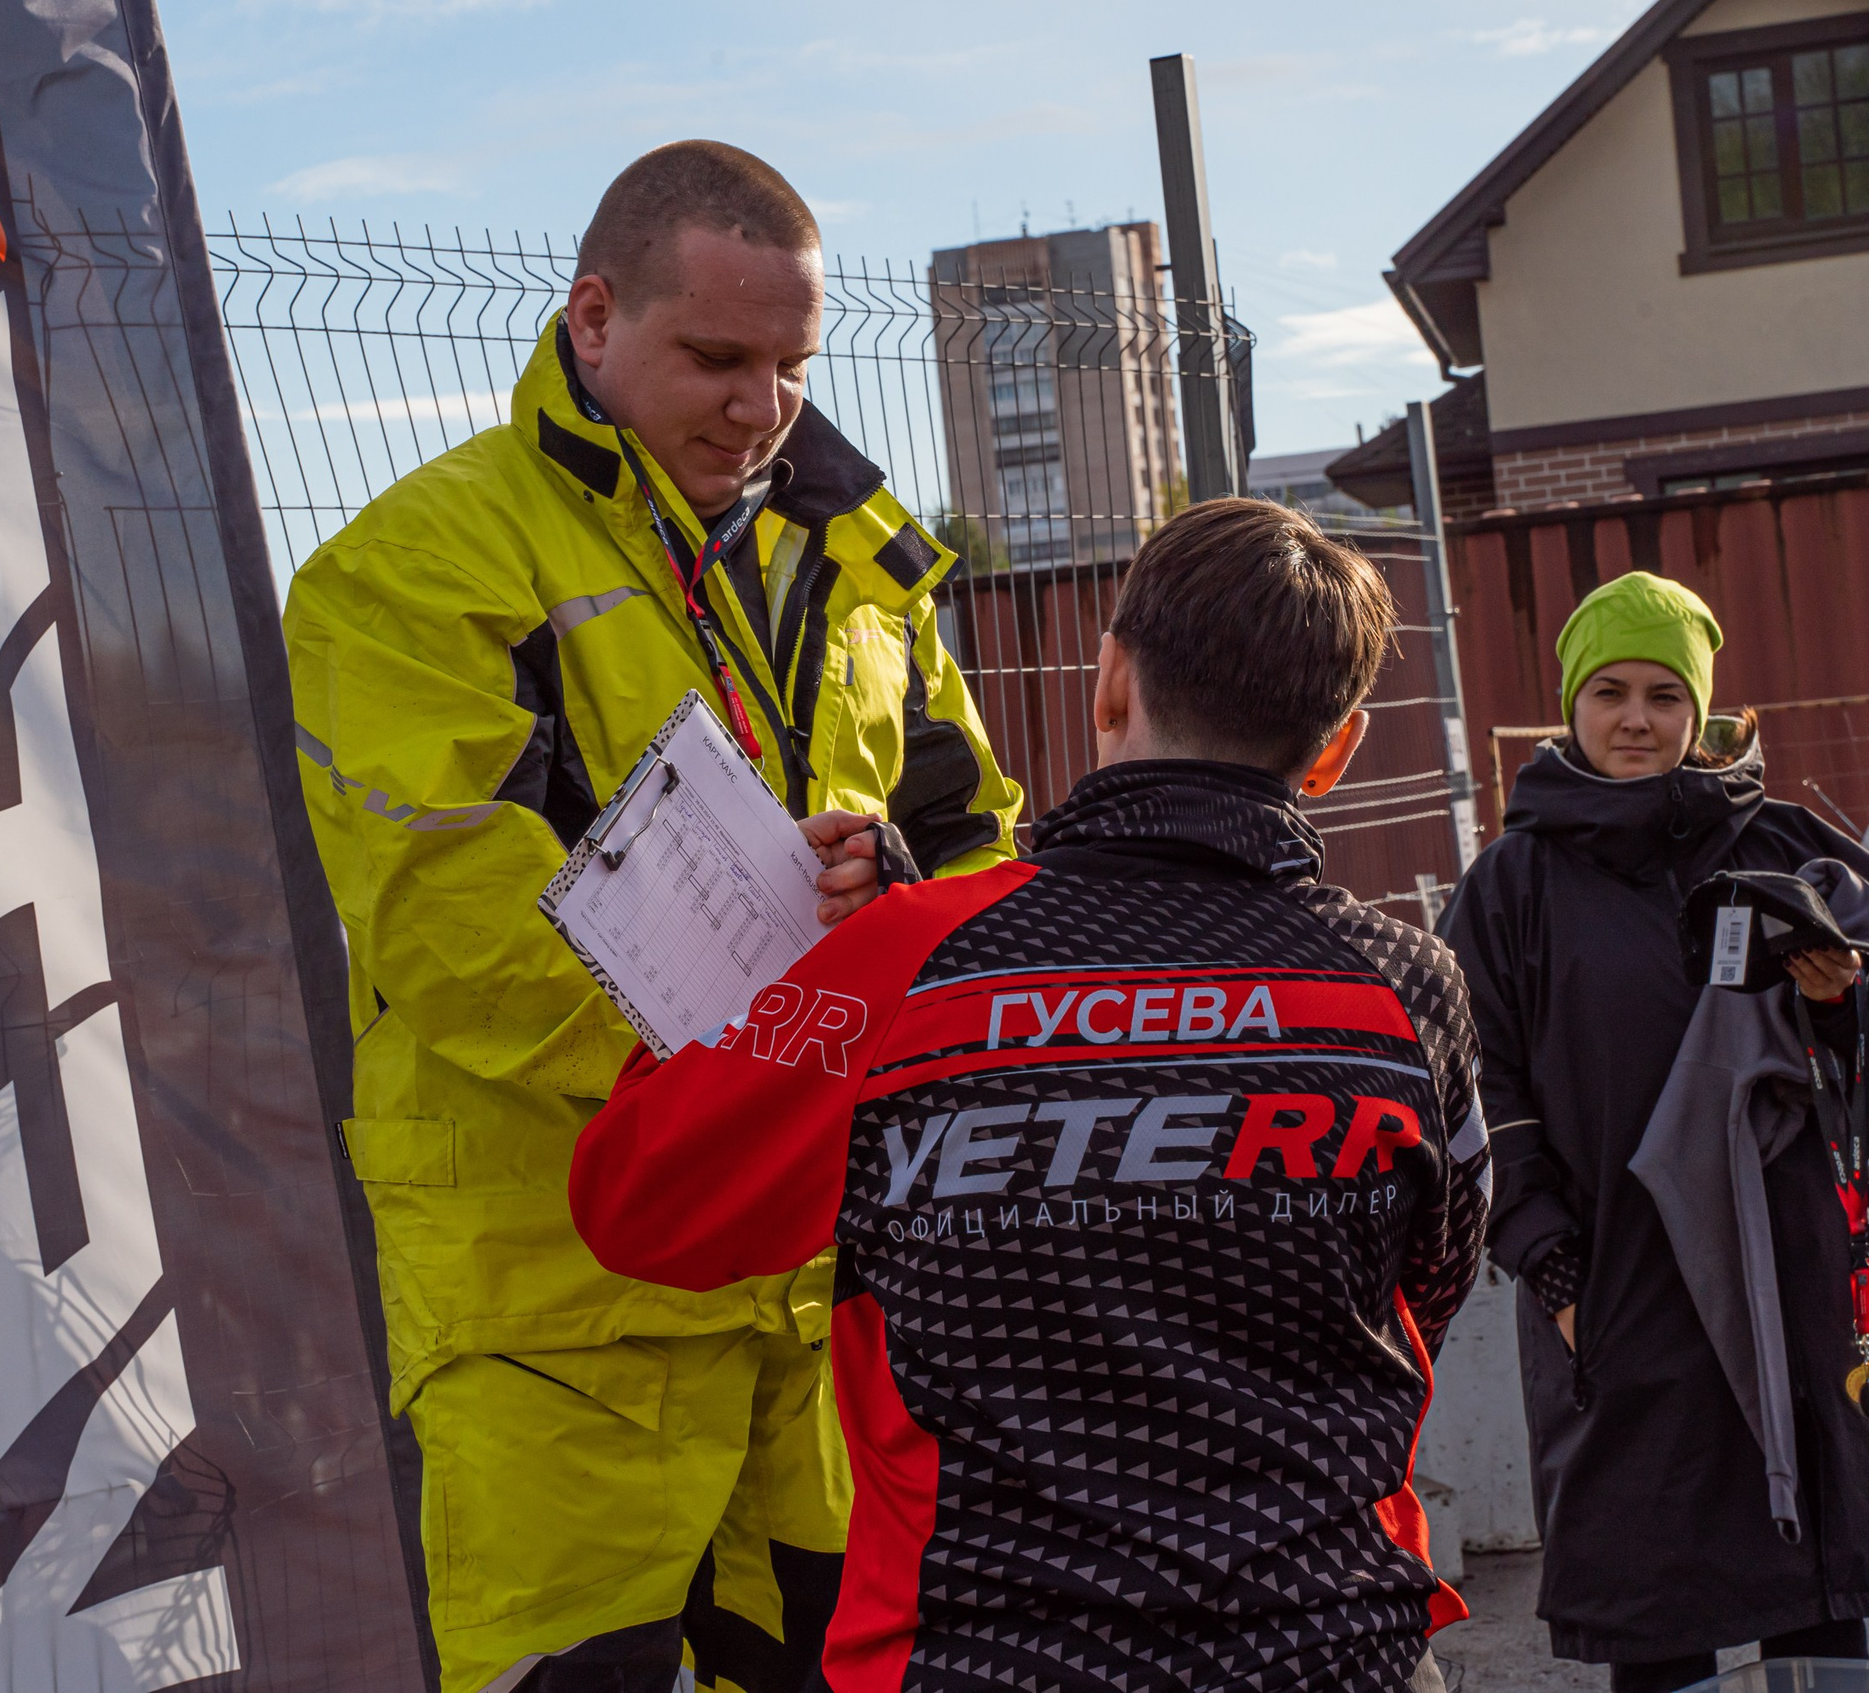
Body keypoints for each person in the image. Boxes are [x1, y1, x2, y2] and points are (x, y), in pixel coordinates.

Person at [282, 141, 1023, 1693]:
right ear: (594, 317)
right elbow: (447, 923)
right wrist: (758, 1072)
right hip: (560, 1302)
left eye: (791, 364)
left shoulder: (866, 569)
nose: (761, 406)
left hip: (820, 1282)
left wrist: (886, 897)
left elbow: (977, 851)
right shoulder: (416, 568)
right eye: (716, 357)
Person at [571, 498, 1491, 1693]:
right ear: (1336, 749)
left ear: (1109, 686)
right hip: (1333, 1650)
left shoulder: (902, 965)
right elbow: (1431, 1282)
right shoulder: (1403, 984)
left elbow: (639, 1200)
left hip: (983, 1658)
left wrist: (782, 979)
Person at [1440, 572, 1869, 1693]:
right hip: (1624, 1292)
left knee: (1819, 1603)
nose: (1637, 719)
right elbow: (1477, 1092)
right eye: (1610, 692)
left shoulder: (1789, 841)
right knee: (1659, 1610)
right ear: (1568, 705)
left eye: (1665, 695)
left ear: (1704, 709)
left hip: (1811, 1280)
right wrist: (1556, 1270)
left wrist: (1844, 997)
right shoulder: (1509, 884)